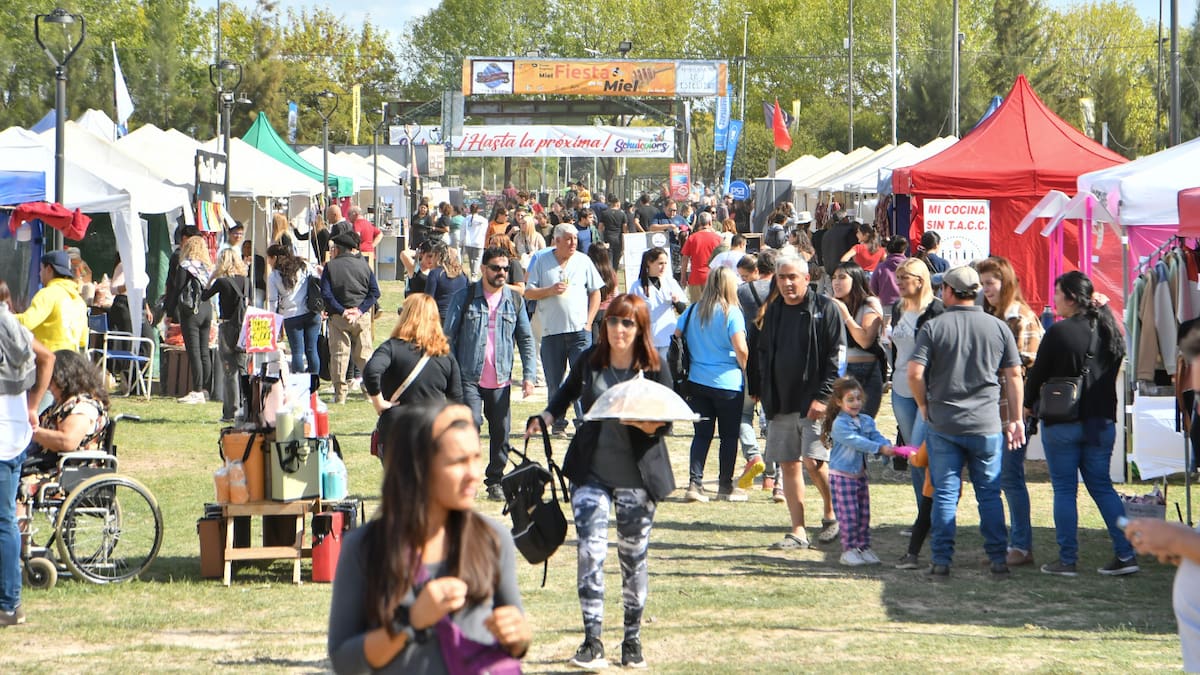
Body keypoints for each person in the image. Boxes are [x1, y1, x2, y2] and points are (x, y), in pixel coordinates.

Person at [327, 401, 531, 673]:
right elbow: (343, 661)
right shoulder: (365, 548)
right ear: (419, 469)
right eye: (458, 461)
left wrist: (520, 637)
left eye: (476, 457)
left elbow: (513, 638)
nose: (473, 473)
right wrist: (409, 622)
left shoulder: (493, 539)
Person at [525, 294, 672, 670]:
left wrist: (641, 421)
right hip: (592, 472)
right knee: (590, 550)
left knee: (632, 558)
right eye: (612, 321)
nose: (618, 329)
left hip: (638, 477)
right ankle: (592, 640)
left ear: (640, 328)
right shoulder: (591, 360)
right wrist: (544, 415)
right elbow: (565, 394)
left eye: (627, 323)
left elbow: (667, 420)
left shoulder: (654, 365)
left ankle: (632, 640)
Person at [908, 265, 1025, 580]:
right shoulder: (998, 327)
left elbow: (915, 373)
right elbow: (1014, 374)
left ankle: (941, 560)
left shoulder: (933, 327)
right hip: (986, 424)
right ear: (974, 292)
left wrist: (922, 405)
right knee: (989, 493)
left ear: (947, 291)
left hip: (944, 423)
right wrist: (1016, 418)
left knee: (945, 492)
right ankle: (998, 558)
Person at [1024, 271, 1138, 577]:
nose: (1055, 300)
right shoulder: (1110, 331)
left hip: (1063, 420)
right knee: (1102, 487)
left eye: (1058, 293)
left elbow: (1036, 375)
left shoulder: (1059, 333)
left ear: (1072, 298)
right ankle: (1126, 554)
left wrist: (1026, 405)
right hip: (1100, 420)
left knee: (1064, 490)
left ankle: (1068, 560)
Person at [748, 256, 844, 550]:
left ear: (806, 278)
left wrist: (825, 397)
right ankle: (798, 530)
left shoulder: (826, 309)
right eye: (782, 278)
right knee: (789, 464)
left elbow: (837, 358)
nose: (787, 283)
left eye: (792, 277)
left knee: (815, 462)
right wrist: (757, 388)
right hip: (779, 401)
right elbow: (759, 353)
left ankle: (832, 513)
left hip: (815, 401)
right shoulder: (772, 311)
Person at [443, 248, 536, 501]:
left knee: (501, 431)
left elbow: (526, 339)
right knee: (471, 424)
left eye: (505, 269)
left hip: (501, 378)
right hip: (468, 376)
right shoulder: (465, 297)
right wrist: (449, 376)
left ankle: (495, 480)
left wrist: (529, 375)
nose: (501, 273)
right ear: (483, 269)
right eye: (496, 268)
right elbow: (448, 338)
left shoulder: (514, 300)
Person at [977, 256, 1044, 568]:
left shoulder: (1021, 318)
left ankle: (1021, 545)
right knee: (998, 478)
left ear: (1006, 282)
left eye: (991, 282)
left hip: (1012, 412)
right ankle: (1008, 543)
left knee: (1010, 478)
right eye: (983, 283)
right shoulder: (991, 314)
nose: (986, 289)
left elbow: (1023, 368)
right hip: (990, 408)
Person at [0, 282, 53, 628]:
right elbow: (48, 357)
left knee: (4, 521)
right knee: (5, 519)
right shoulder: (15, 326)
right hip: (16, 432)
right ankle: (9, 602)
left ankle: (9, 603)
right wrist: (33, 406)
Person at [888, 257, 943, 567]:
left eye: (904, 278)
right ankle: (924, 519)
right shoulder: (898, 308)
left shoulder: (936, 311)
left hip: (926, 391)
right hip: (899, 388)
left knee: (923, 455)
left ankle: (931, 518)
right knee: (912, 458)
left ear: (920, 280)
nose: (899, 283)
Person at [678, 267, 749, 503]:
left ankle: (694, 483)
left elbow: (677, 336)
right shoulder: (732, 313)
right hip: (727, 382)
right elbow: (740, 347)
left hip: (697, 380)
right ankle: (724, 485)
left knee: (701, 435)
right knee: (728, 437)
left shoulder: (692, 311)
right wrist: (744, 367)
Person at [525, 224, 602, 436]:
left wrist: (588, 323)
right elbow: (528, 292)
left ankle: (583, 422)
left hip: (579, 332)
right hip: (551, 331)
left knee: (583, 380)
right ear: (557, 241)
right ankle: (558, 424)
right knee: (554, 382)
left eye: (575, 238)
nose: (573, 242)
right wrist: (549, 290)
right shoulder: (542, 261)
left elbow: (596, 293)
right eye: (568, 238)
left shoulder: (583, 260)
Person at [822, 376, 895, 566]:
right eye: (850, 399)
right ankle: (849, 550)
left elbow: (875, 436)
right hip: (842, 476)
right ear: (839, 402)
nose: (856, 403)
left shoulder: (866, 420)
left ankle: (863, 547)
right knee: (849, 516)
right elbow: (856, 441)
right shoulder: (840, 425)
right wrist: (879, 449)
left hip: (860, 475)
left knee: (863, 515)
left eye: (858, 399)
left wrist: (887, 446)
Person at [365, 293, 462, 424]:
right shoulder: (445, 355)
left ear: (405, 317)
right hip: (431, 427)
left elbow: (371, 371)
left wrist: (379, 403)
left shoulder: (391, 347)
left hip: (396, 427)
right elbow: (456, 400)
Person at [321, 232, 381, 404]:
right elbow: (375, 292)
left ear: (337, 249)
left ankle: (340, 395)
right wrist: (359, 310)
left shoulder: (330, 267)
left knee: (339, 355)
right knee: (365, 356)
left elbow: (326, 293)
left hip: (339, 317)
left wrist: (342, 311)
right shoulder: (364, 266)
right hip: (361, 317)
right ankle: (370, 392)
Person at [736, 250, 778, 498]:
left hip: (748, 360)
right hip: (775, 361)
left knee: (743, 414)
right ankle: (771, 477)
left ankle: (753, 454)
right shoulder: (781, 290)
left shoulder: (743, 292)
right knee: (774, 419)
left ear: (756, 269)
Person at [27, 350, 110, 471]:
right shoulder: (61, 403)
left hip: (68, 471)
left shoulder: (83, 406)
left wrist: (31, 432)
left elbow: (67, 441)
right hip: (44, 461)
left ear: (64, 378)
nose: (47, 386)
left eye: (51, 380)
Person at [830, 262, 885, 418]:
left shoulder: (869, 303)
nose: (836, 282)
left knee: (862, 425)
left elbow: (865, 340)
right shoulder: (832, 305)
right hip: (840, 370)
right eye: (834, 278)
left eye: (842, 277)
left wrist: (845, 314)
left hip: (865, 369)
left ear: (855, 280)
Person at [204, 249, 249, 423]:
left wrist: (211, 278)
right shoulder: (246, 281)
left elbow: (203, 296)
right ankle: (246, 409)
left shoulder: (222, 282)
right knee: (243, 369)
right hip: (244, 327)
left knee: (229, 370)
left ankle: (230, 411)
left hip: (227, 326)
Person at [169, 237, 214, 405]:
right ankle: (205, 389)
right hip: (206, 309)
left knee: (194, 351)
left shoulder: (185, 265)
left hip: (191, 311)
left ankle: (196, 390)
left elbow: (178, 288)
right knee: (204, 351)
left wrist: (170, 310)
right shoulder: (207, 268)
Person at [268, 244, 321, 381]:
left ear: (274, 258)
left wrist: (273, 321)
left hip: (291, 315)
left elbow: (273, 301)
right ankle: (314, 381)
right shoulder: (303, 265)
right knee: (312, 349)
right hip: (311, 310)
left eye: (269, 259)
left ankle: (299, 381)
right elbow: (316, 280)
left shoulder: (274, 276)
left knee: (297, 351)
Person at [17, 251, 88, 354]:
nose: (39, 274)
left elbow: (26, 322)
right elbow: (82, 340)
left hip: (49, 361)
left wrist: (4, 317)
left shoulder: (48, 294)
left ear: (49, 269)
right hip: (72, 361)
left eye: (41, 269)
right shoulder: (79, 301)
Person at [630, 247, 686, 366]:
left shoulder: (670, 282)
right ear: (649, 263)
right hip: (648, 338)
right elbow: (631, 312)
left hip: (668, 335)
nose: (663, 267)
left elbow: (682, 310)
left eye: (665, 263)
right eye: (660, 263)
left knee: (666, 372)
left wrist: (676, 302)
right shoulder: (638, 286)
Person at [680, 212, 723, 303]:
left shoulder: (692, 238)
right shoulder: (718, 239)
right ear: (710, 223)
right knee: (713, 307)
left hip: (696, 277)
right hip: (713, 278)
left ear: (699, 223)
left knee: (697, 309)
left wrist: (683, 276)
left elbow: (685, 258)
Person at [424, 247, 469, 321]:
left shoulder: (435, 274)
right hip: (459, 316)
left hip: (439, 317)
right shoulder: (463, 275)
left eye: (432, 256)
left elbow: (428, 299)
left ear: (437, 257)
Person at [587, 244, 618, 346]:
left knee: (594, 344)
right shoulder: (611, 272)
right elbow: (615, 293)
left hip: (593, 311)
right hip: (608, 310)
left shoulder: (589, 271)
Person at [869, 236, 909, 312]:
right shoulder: (911, 266)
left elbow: (873, 289)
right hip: (908, 306)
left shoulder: (880, 267)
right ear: (904, 249)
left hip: (886, 307)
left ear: (887, 250)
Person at [463, 203, 489, 276]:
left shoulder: (466, 219)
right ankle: (474, 274)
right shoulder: (483, 220)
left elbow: (463, 231)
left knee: (471, 260)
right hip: (479, 242)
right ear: (478, 210)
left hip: (468, 242)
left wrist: (462, 241)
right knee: (477, 259)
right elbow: (485, 231)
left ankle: (473, 273)